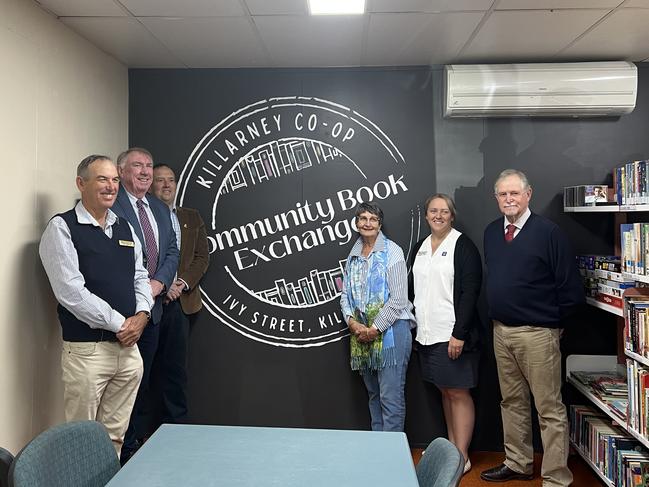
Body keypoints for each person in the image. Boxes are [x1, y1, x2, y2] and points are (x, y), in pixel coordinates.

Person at [39, 155, 154, 454]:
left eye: (115, 180)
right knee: (80, 443)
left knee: (114, 438)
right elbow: (71, 292)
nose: (111, 186)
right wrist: (122, 324)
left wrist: (142, 314)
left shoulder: (125, 228)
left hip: (128, 349)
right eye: (102, 179)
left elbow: (140, 276)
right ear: (81, 183)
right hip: (87, 352)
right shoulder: (62, 228)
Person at [480, 169, 584, 486]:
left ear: (528, 194)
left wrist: (553, 325)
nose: (509, 199)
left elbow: (569, 288)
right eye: (503, 194)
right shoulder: (491, 232)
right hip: (501, 332)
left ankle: (555, 477)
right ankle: (518, 462)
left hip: (538, 333)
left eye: (514, 193)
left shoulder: (548, 233)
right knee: (511, 402)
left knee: (549, 408)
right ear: (496, 198)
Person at [112, 148, 179, 463]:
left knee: (143, 381)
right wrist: (141, 290)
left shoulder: (159, 208)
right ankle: (116, 452)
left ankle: (133, 447)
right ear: (121, 170)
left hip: (154, 311)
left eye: (149, 166)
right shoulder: (112, 204)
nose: (145, 171)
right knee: (121, 387)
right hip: (122, 312)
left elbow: (172, 252)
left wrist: (159, 283)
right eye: (137, 165)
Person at [410, 194, 481, 474]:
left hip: (452, 335)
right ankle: (451, 450)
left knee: (458, 392)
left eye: (444, 211)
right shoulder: (421, 247)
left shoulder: (462, 246)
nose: (438, 215)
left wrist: (459, 333)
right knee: (445, 391)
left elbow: (470, 293)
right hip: (427, 335)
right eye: (432, 211)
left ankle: (462, 457)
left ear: (452, 215)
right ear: (426, 216)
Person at [340, 202, 415, 432]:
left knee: (390, 398)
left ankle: (392, 457)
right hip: (361, 335)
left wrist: (374, 329)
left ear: (379, 224)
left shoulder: (392, 251)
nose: (367, 223)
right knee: (374, 395)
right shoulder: (353, 256)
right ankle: (378, 451)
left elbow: (399, 298)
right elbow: (345, 296)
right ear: (356, 224)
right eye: (363, 218)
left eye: (372, 219)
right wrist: (352, 323)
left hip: (391, 331)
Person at [149, 164, 210, 426]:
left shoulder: (191, 216)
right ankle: (140, 433)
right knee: (143, 370)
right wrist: (161, 285)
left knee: (175, 370)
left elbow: (201, 257)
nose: (166, 185)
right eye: (160, 181)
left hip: (180, 304)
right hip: (148, 304)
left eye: (171, 180)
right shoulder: (143, 218)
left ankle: (177, 428)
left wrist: (181, 283)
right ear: (150, 186)